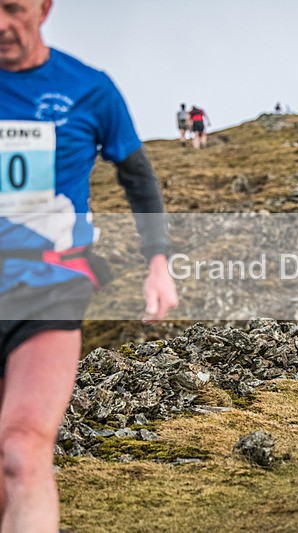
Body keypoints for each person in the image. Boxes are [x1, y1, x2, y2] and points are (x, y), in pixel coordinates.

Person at [0, 0, 178, 530]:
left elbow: (138, 177)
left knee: (21, 450)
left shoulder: (90, 89)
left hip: (49, 288)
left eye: (12, 8)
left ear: (44, 8)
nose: (1, 25)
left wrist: (158, 263)